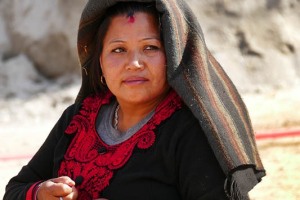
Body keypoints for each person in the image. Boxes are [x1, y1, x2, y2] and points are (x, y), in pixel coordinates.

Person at [4, 0, 266, 199]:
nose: (134, 63)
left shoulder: (190, 133)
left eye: (150, 47)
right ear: (100, 63)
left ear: (173, 56)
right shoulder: (78, 119)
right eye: (118, 50)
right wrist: (40, 192)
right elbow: (14, 190)